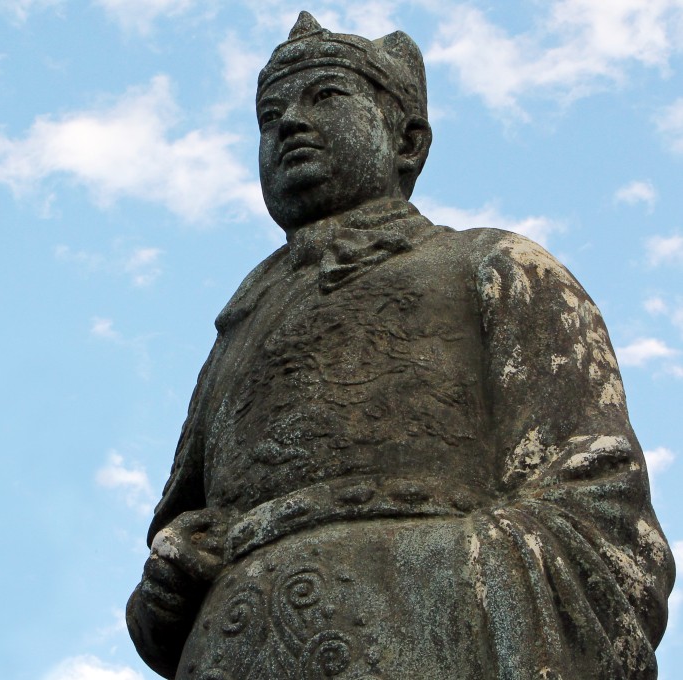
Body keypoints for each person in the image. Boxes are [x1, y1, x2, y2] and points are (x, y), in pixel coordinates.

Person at [126, 12, 674, 679]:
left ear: (407, 140)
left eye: (324, 97)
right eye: (270, 116)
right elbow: (176, 558)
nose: (288, 124)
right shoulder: (241, 329)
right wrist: (172, 582)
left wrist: (406, 573)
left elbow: (599, 510)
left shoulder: (494, 265)